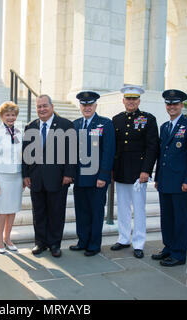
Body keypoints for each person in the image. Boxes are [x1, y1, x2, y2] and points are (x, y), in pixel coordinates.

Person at [152, 89, 187, 267]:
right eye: (168, 104)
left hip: (181, 183)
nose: (171, 107)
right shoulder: (165, 127)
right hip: (165, 182)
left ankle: (179, 254)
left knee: (181, 219)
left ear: (181, 105)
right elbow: (162, 155)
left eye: (175, 104)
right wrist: (157, 177)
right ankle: (169, 247)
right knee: (167, 217)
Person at [22, 94, 76, 258]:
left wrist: (69, 173)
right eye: (39, 106)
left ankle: (54, 244)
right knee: (38, 212)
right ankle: (40, 242)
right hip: (36, 178)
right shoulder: (30, 126)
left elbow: (72, 152)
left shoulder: (66, 125)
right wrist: (25, 174)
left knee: (56, 212)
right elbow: (25, 153)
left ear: (52, 107)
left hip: (58, 178)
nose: (42, 109)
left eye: (45, 106)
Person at [110, 85, 159, 259]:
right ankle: (124, 238)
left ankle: (138, 243)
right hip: (121, 171)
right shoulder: (116, 120)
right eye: (128, 99)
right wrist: (112, 170)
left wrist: (146, 170)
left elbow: (152, 147)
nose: (131, 102)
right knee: (122, 208)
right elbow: (112, 147)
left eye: (134, 99)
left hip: (139, 173)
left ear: (139, 101)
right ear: (123, 101)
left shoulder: (148, 119)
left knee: (138, 209)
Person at [69, 91, 115, 256]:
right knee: (81, 211)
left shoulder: (105, 124)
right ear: (80, 106)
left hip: (97, 179)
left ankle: (94, 245)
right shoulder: (74, 125)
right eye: (84, 104)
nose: (87, 107)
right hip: (80, 178)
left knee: (96, 212)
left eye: (90, 104)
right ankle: (82, 241)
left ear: (95, 105)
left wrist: (103, 176)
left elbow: (108, 152)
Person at [0, 101, 23, 254]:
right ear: (1, 116)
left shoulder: (20, 132)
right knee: (2, 210)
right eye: (7, 114)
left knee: (12, 209)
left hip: (16, 176)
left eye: (13, 114)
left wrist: (24, 176)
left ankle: (8, 238)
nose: (10, 117)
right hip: (2, 176)